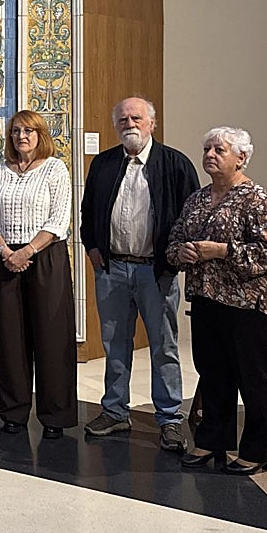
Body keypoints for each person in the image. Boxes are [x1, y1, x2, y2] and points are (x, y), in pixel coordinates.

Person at [79, 96, 199, 452]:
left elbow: (191, 215)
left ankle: (170, 419)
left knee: (164, 347)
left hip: (155, 272)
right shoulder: (103, 164)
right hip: (113, 268)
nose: (129, 124)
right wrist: (93, 249)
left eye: (137, 118)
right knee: (115, 344)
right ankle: (115, 411)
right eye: (123, 119)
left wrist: (175, 260)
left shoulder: (175, 164)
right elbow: (88, 211)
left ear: (151, 124)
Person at [170, 127, 267, 475]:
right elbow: (173, 242)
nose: (210, 154)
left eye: (219, 149)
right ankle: (212, 439)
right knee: (213, 374)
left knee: (254, 378)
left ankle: (258, 449)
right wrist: (183, 253)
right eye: (206, 148)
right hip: (207, 300)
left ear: (241, 158)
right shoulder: (198, 199)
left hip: (249, 304)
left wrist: (222, 250)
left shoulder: (256, 199)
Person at [0, 110, 75, 438]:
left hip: (45, 258)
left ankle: (55, 417)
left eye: (29, 130)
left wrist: (28, 251)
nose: (22, 136)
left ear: (40, 134)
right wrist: (6, 251)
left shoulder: (55, 168)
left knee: (51, 337)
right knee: (10, 339)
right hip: (6, 259)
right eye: (17, 130)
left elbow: (59, 218)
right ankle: (14, 412)